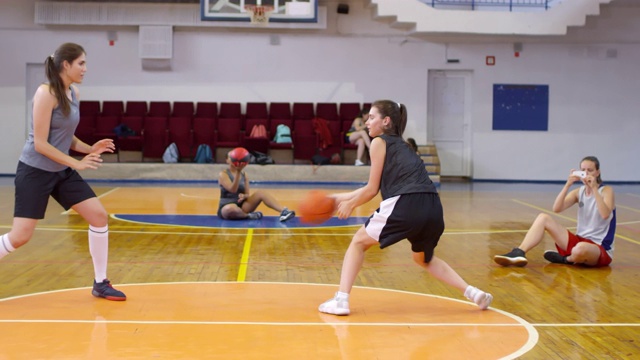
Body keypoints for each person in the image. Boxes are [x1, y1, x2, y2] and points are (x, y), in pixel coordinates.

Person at [318, 100, 492, 316]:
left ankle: (341, 300)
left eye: (372, 117)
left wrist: (351, 204)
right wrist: (337, 198)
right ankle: (474, 293)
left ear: (386, 121)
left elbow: (372, 189)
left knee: (358, 243)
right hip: (432, 206)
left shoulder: (379, 143)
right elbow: (372, 186)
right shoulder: (404, 146)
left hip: (406, 202)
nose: (367, 121)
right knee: (423, 259)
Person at [0, 43, 126, 301]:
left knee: (99, 217)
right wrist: (76, 163)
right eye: (81, 63)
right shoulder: (46, 93)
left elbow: (66, 136)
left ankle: (100, 282)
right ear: (65, 65)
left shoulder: (73, 92)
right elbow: (41, 143)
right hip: (35, 171)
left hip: (61, 170)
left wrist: (90, 148)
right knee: (20, 236)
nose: (85, 69)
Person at [494, 156, 615, 267]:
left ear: (597, 172)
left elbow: (605, 214)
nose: (586, 173)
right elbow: (557, 208)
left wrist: (594, 188)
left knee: (579, 249)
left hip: (599, 248)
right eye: (583, 170)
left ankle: (566, 259)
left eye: (590, 170)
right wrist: (567, 185)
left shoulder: (606, 190)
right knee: (543, 218)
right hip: (579, 240)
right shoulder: (579, 191)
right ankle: (519, 252)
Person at [218, 152, 295, 221]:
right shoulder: (223, 174)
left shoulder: (244, 174)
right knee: (229, 209)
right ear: (227, 160)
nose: (234, 159)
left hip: (243, 206)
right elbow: (233, 190)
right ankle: (248, 216)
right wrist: (238, 172)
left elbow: (247, 194)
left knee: (261, 193)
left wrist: (244, 196)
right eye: (231, 157)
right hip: (227, 206)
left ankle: (284, 211)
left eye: (235, 157)